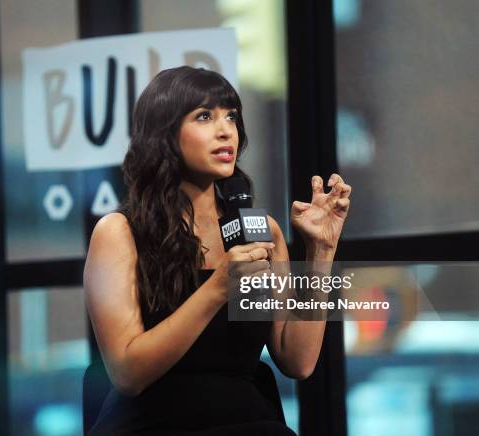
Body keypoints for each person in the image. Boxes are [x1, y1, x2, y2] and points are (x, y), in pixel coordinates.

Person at [84, 66, 352, 435]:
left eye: (232, 117)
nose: (226, 130)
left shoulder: (260, 229)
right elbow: (128, 374)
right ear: (164, 133)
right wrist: (216, 290)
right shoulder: (120, 232)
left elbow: (298, 360)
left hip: (249, 420)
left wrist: (321, 250)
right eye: (205, 116)